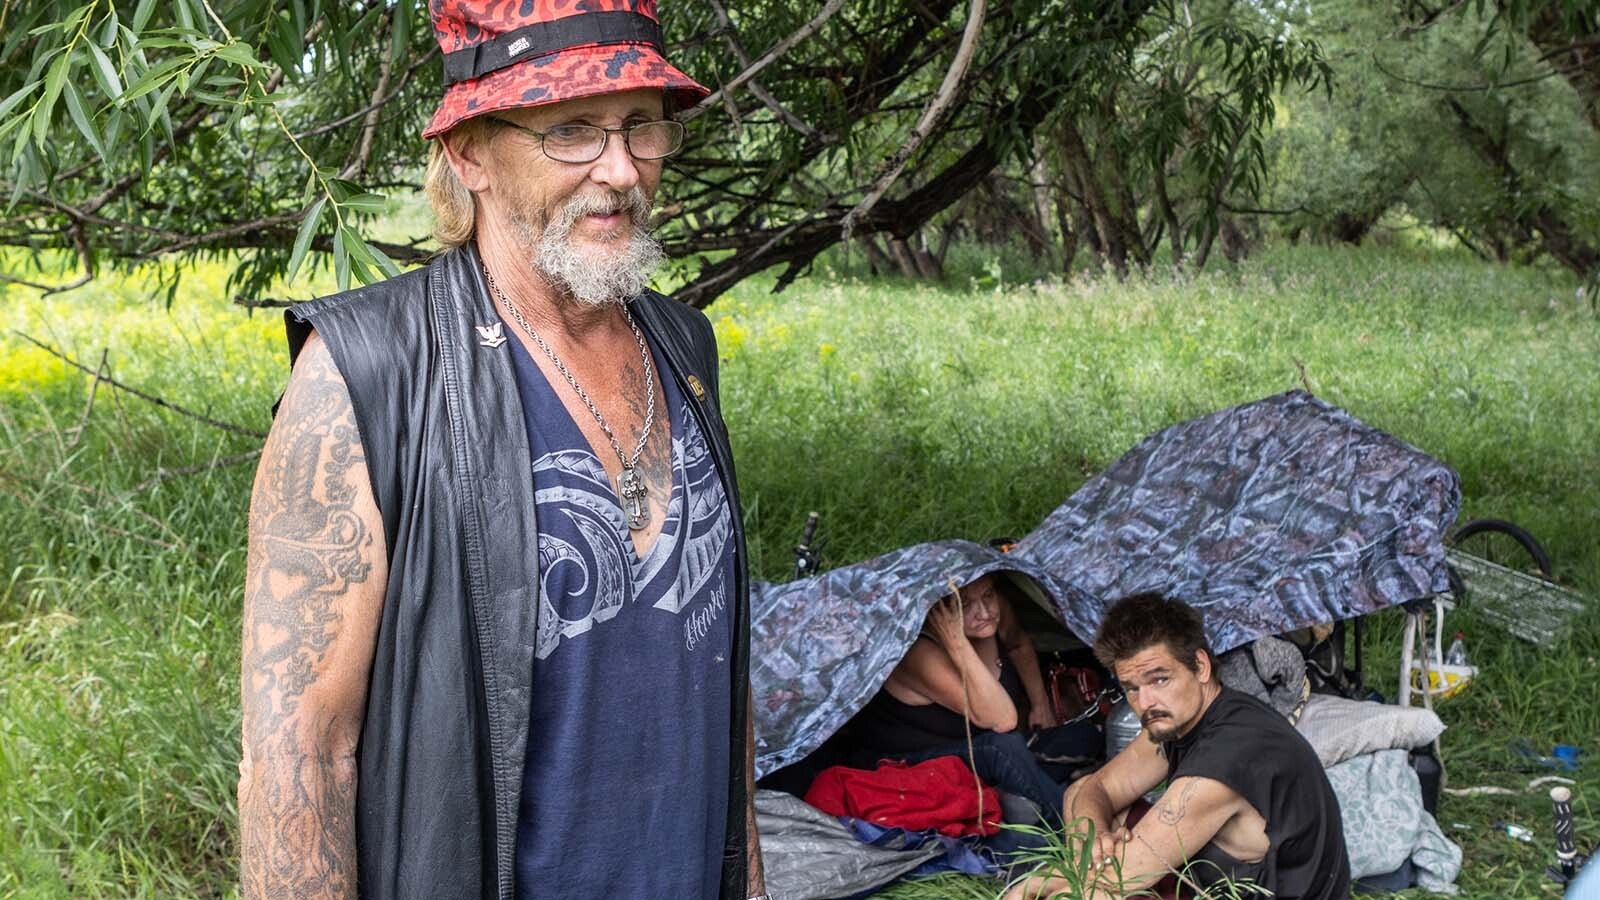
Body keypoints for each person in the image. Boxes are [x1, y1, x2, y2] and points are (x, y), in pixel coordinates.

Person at [238, 3, 766, 899]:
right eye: (571, 131)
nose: (621, 168)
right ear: (469, 153)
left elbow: (718, 679)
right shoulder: (367, 373)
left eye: (642, 124)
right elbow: (302, 754)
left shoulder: (685, 347)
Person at [1005, 593, 1350, 900]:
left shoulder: (1224, 760)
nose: (1146, 702)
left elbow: (1114, 882)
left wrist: (1042, 885)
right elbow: (1092, 788)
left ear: (1199, 666)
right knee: (1098, 807)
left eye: (1160, 679)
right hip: (1213, 880)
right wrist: (1090, 837)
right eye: (1132, 688)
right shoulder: (1180, 718)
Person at [844, 573, 1101, 824]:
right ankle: (1074, 827)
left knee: (1084, 735)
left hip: (982, 756)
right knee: (1001, 747)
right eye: (964, 604)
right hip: (913, 766)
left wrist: (1040, 704)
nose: (985, 611)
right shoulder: (920, 654)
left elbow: (1017, 644)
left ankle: (1011, 798)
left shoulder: (992, 616)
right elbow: (1003, 721)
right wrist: (956, 643)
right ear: (937, 612)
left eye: (988, 595)